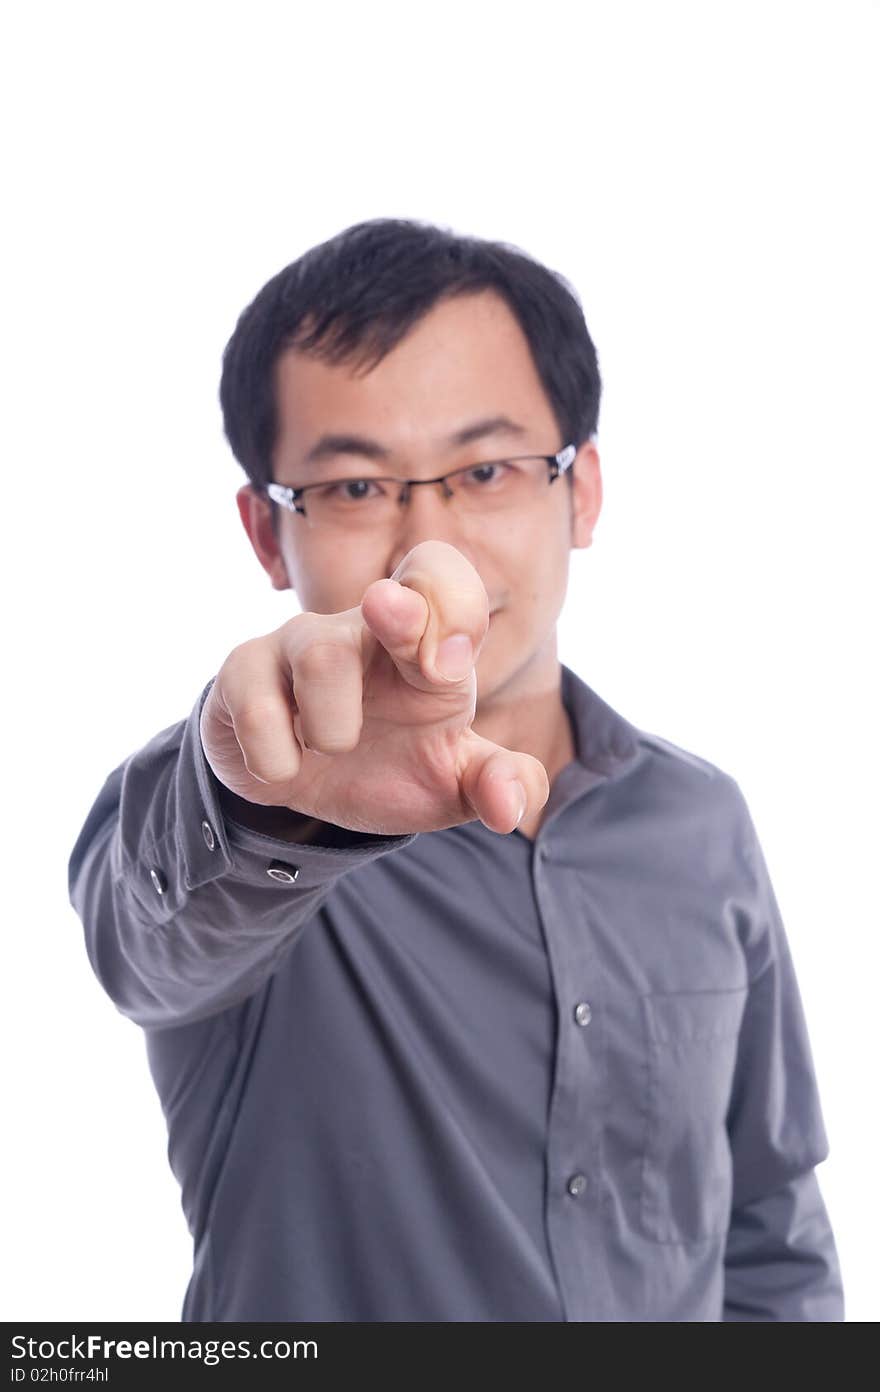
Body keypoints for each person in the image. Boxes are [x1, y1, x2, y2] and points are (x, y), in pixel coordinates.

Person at [68, 217, 844, 1322]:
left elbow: (767, 1231)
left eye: (485, 469)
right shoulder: (246, 823)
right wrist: (270, 808)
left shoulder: (699, 820)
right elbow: (145, 944)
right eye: (351, 489)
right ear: (261, 531)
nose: (429, 549)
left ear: (579, 492)